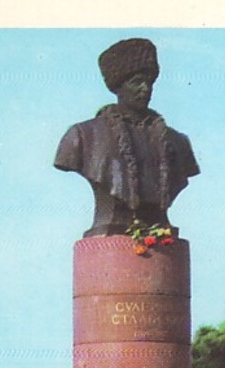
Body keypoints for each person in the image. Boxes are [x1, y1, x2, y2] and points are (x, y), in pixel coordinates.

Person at [55, 38, 200, 238]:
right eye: (136, 82)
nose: (145, 89)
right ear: (117, 87)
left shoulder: (178, 142)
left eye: (149, 82)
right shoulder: (83, 135)